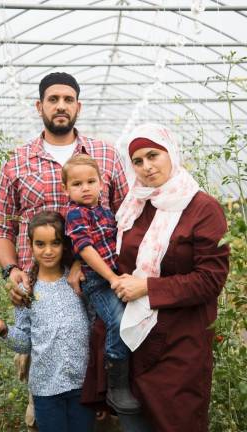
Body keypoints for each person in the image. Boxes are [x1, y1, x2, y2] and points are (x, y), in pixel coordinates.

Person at [0, 72, 129, 430]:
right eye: (53, 99)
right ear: (40, 106)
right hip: (41, 291)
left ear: (78, 106)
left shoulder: (106, 156)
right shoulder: (18, 162)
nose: (61, 106)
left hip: (96, 285)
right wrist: (12, 271)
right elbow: (1, 227)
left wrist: (86, 263)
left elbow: (127, 219)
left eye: (68, 99)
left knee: (98, 378)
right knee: (46, 382)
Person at [83, 123, 229, 432]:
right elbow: (108, 249)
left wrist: (148, 287)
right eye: (138, 161)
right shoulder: (133, 207)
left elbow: (210, 280)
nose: (147, 167)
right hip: (134, 342)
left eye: (153, 155)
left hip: (179, 343)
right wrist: (76, 265)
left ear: (171, 153)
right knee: (135, 423)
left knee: (177, 421)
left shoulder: (203, 208)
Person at [0, 211, 95, 432]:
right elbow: (26, 342)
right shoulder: (26, 289)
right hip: (46, 390)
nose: (48, 251)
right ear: (30, 245)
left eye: (55, 243)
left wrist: (100, 385)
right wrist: (5, 331)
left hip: (82, 386)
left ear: (64, 245)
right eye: (40, 244)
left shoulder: (77, 281)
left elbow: (94, 328)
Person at [62, 153, 140, 415]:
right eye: (77, 184)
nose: (85, 188)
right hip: (98, 281)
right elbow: (85, 249)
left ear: (101, 184)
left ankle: (125, 380)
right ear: (66, 189)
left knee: (131, 318)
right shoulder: (74, 213)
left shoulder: (106, 211)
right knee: (116, 322)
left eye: (90, 181)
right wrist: (112, 278)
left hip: (114, 276)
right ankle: (115, 385)